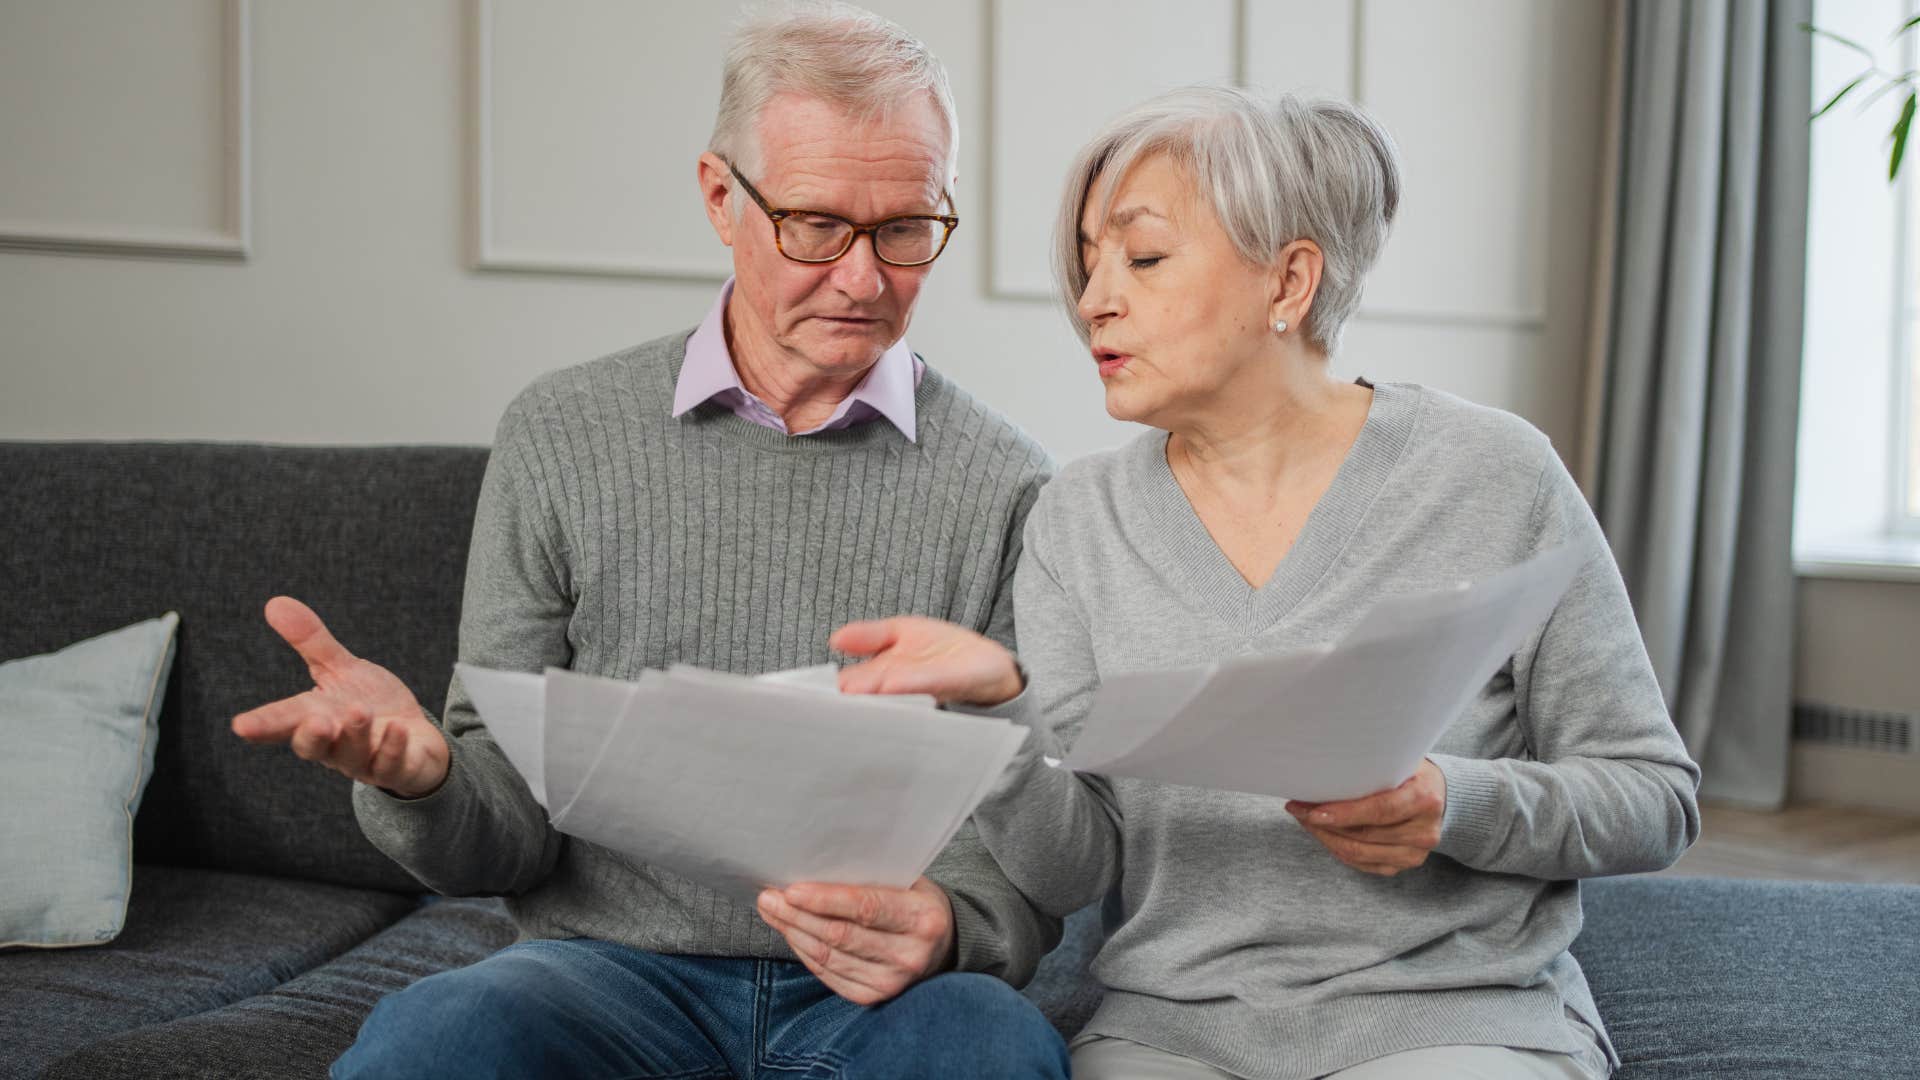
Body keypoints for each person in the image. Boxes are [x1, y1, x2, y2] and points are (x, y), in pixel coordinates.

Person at [229, 3, 1069, 1076]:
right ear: (723, 196)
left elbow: (1036, 832)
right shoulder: (561, 433)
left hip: (887, 1001)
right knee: (433, 1040)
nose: (865, 279)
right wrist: (423, 779)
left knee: (997, 1047)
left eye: (906, 229)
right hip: (604, 972)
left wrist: (957, 927)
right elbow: (504, 837)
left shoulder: (1008, 482)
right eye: (816, 225)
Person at [830, 86, 1702, 1079]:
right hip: (1172, 1031)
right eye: (1087, 262)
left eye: (1143, 257)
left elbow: (1652, 796)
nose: (1093, 300)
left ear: (1287, 282)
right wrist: (1001, 705)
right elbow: (1074, 868)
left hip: (1452, 1022)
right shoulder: (1077, 520)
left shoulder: (1494, 473)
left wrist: (1452, 804)